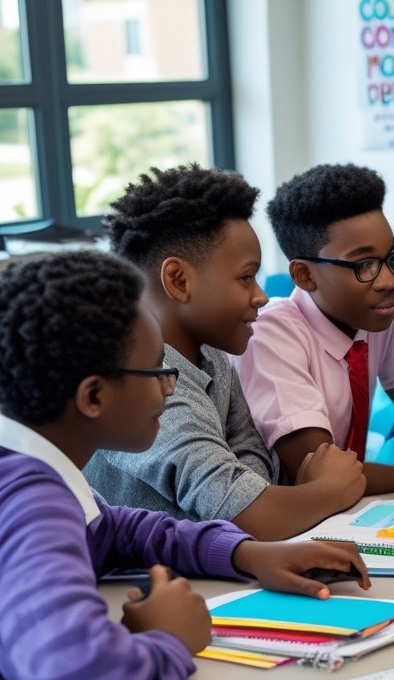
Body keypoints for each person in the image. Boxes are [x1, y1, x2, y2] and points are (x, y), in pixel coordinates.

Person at [0, 251, 370, 680]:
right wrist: (170, 638)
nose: (171, 386)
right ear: (94, 396)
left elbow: (118, 530)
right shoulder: (29, 513)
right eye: (158, 371)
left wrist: (247, 554)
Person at [85, 164, 365, 541]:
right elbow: (253, 517)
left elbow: (253, 476)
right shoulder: (143, 384)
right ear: (178, 280)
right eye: (246, 277)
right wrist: (328, 490)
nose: (261, 296)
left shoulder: (213, 358)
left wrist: (280, 499)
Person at [235, 163, 394, 497]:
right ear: (305, 276)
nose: (389, 282)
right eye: (363, 265)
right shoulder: (272, 335)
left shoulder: (370, 317)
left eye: (390, 257)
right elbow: (323, 475)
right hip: (289, 523)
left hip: (349, 511)